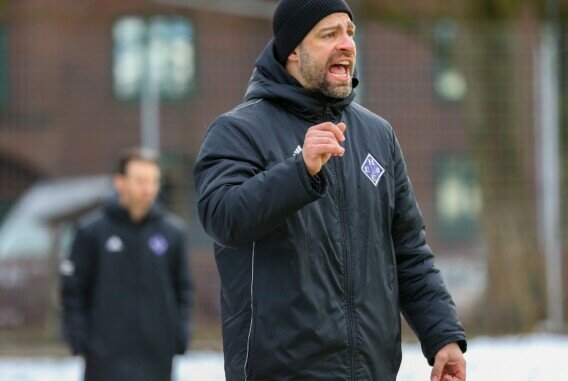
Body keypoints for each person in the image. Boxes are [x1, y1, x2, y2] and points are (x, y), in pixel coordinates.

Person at [194, 0, 467, 379]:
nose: (347, 44)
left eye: (350, 33)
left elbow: (409, 252)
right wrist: (299, 172)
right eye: (329, 34)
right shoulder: (238, 131)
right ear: (292, 50)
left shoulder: (377, 134)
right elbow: (221, 217)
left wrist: (442, 335)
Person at [61, 147, 193, 381]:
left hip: (157, 357)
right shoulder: (91, 232)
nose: (148, 188)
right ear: (120, 182)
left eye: (154, 181)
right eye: (141, 180)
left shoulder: (173, 234)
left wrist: (179, 336)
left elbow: (184, 288)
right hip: (104, 359)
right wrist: (80, 339)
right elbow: (73, 289)